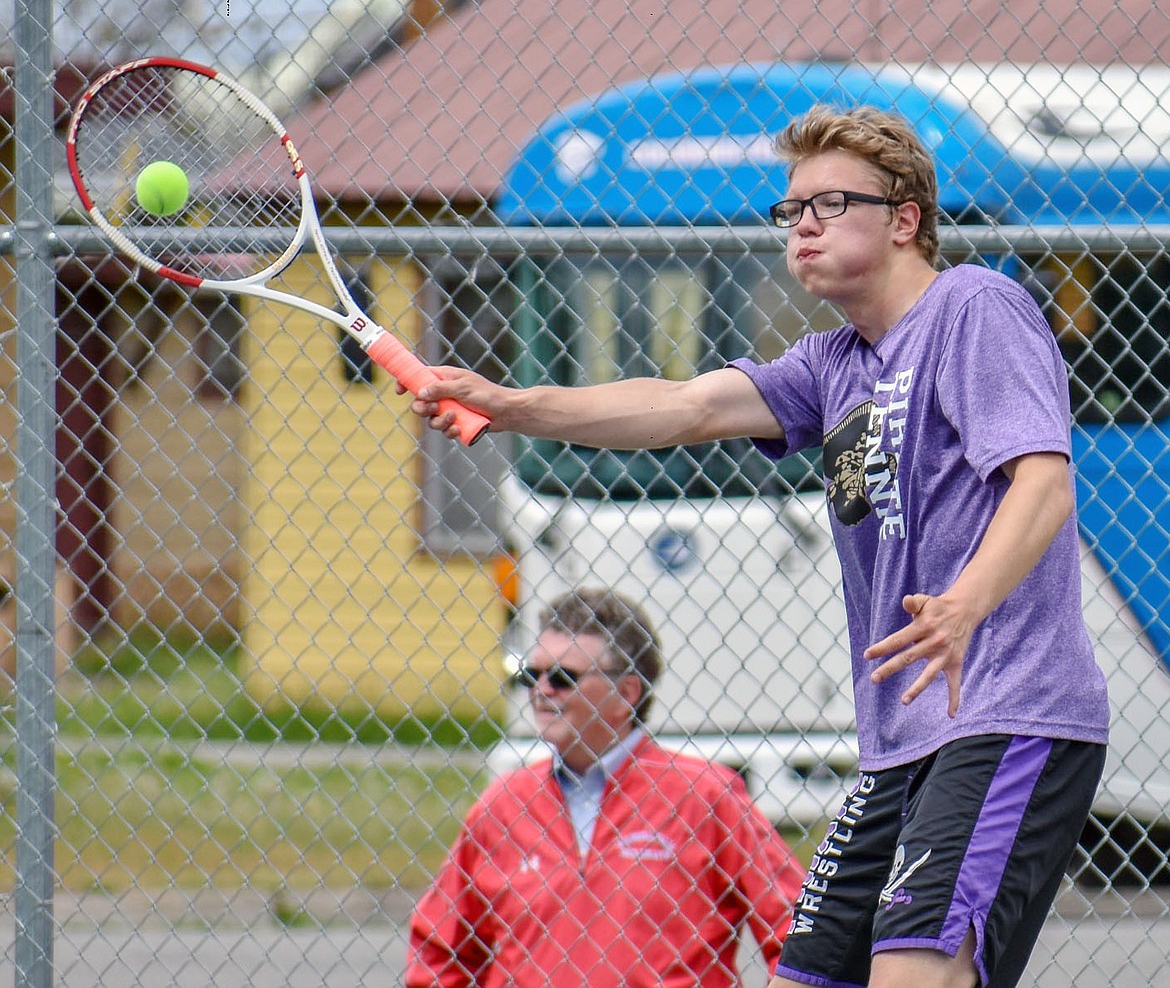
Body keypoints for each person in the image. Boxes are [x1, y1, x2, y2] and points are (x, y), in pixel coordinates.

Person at [409, 104, 1111, 988]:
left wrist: (966, 604)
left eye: (829, 204)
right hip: (899, 743)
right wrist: (509, 402)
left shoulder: (976, 308)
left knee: (914, 974)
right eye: (791, 211)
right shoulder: (832, 365)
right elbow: (682, 406)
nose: (802, 226)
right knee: (803, 976)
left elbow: (1044, 483)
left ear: (904, 220)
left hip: (1002, 709)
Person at [404, 587, 805, 988]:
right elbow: (438, 951)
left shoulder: (705, 795)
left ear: (626, 693)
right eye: (532, 674)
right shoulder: (503, 805)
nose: (541, 690)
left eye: (563, 677)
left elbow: (800, 930)